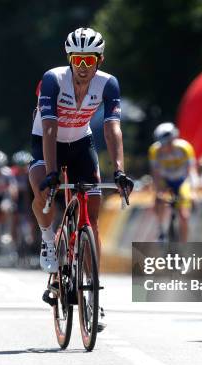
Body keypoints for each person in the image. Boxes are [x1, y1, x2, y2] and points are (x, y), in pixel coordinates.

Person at [29, 27, 134, 320]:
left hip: (80, 142)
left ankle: (93, 293)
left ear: (99, 59)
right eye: (78, 60)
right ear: (70, 59)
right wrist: (51, 173)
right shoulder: (53, 79)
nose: (83, 67)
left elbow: (112, 129)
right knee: (41, 189)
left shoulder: (108, 84)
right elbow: (49, 127)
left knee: (94, 214)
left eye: (89, 60)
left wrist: (120, 170)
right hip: (46, 141)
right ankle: (49, 240)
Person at [148, 122, 198, 242]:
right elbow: (155, 174)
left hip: (182, 181)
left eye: (170, 143)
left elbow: (192, 171)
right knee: (159, 201)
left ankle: (183, 245)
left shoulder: (185, 148)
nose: (167, 147)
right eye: (164, 144)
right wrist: (158, 191)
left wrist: (193, 191)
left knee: (184, 216)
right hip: (166, 181)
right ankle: (161, 230)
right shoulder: (154, 151)